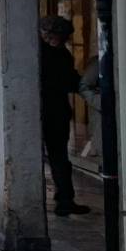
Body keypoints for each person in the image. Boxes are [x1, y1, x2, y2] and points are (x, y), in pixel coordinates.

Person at [39, 15, 86, 216]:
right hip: (54, 111)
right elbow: (68, 81)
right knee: (58, 156)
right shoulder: (58, 55)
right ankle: (65, 199)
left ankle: (63, 197)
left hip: (45, 110)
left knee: (56, 156)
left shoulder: (36, 52)